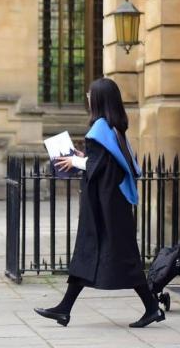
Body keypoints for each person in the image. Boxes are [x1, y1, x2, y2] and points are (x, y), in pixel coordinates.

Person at [34, 77, 165, 328]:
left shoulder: (99, 131)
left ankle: (151, 308)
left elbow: (102, 167)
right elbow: (108, 162)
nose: (87, 97)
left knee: (121, 257)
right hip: (111, 207)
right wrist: (86, 157)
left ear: (99, 99)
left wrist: (77, 162)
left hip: (106, 209)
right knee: (90, 253)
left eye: (90, 94)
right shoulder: (113, 129)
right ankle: (64, 309)